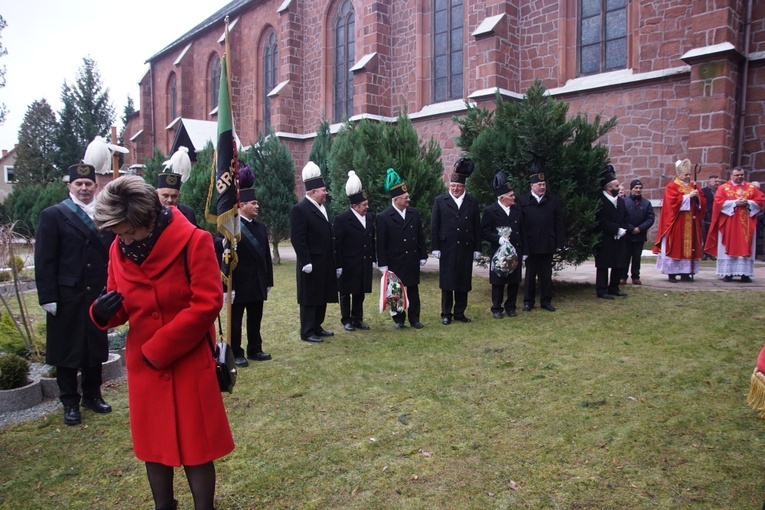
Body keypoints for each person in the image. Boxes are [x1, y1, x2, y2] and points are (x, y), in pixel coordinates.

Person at [90, 176, 233, 510]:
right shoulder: (118, 248)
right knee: (154, 445)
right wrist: (101, 312)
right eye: (117, 232)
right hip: (145, 368)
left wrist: (158, 349)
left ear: (149, 218)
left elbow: (207, 303)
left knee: (197, 445)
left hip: (187, 357)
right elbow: (120, 303)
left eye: (128, 231)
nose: (122, 238)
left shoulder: (194, 241)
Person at [34, 163, 114, 426]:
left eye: (88, 184)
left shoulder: (104, 216)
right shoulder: (53, 215)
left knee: (94, 349)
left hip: (97, 294)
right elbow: (45, 259)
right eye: (78, 184)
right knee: (67, 352)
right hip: (66, 295)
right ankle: (70, 403)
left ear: (96, 186)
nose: (83, 188)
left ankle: (93, 396)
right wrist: (48, 297)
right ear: (69, 186)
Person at [290, 161, 338, 343]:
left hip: (324, 260)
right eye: (323, 190)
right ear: (313, 192)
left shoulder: (322, 208)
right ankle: (307, 330)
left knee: (322, 294)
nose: (326, 193)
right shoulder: (300, 209)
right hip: (310, 262)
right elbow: (298, 238)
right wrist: (305, 261)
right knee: (310, 296)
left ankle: (317, 326)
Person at [430, 158, 481, 325]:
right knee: (447, 281)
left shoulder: (472, 202)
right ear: (449, 186)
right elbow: (434, 225)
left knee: (463, 280)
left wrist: (477, 248)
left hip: (466, 246)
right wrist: (435, 247)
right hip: (447, 247)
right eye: (452, 186)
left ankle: (460, 312)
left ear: (464, 187)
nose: (455, 189)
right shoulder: (440, 201)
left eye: (458, 186)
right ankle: (446, 313)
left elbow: (476, 226)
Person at [376, 168, 427, 329]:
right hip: (394, 260)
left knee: (413, 289)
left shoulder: (413, 213)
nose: (408, 199)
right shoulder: (384, 217)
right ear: (396, 199)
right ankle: (399, 319)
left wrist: (423, 254)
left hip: (411, 258)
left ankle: (415, 318)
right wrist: (383, 264)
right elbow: (381, 243)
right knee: (395, 291)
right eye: (405, 197)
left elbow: (420, 235)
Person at [228, 187, 274, 366]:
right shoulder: (230, 228)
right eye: (253, 203)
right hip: (239, 284)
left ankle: (255, 349)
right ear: (242, 205)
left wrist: (268, 280)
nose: (257, 206)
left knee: (255, 319)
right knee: (236, 322)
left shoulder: (260, 227)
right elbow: (224, 258)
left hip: (257, 282)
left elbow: (265, 257)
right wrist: (227, 287)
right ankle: (236, 352)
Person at [704, 167, 765, 283]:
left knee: (746, 246)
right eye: (737, 175)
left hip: (747, 223)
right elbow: (718, 202)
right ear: (731, 176)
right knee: (728, 245)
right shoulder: (723, 188)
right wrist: (734, 203)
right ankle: (728, 273)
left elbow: (761, 200)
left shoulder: (751, 188)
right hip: (729, 223)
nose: (739, 177)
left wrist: (749, 202)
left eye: (741, 174)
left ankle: (745, 274)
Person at [518, 161, 564, 312]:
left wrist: (559, 242)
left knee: (546, 275)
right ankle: (528, 301)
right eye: (539, 184)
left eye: (543, 184)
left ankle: (546, 300)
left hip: (546, 243)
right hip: (530, 244)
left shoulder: (553, 200)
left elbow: (558, 223)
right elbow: (520, 225)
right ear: (531, 186)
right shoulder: (523, 201)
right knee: (530, 275)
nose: (542, 187)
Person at [333, 171, 376, 332]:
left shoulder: (370, 218)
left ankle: (358, 318)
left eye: (367, 204)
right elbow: (337, 244)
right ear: (354, 206)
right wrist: (338, 265)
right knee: (346, 293)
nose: (367, 207)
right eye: (364, 205)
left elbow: (372, 239)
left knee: (360, 291)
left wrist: (373, 258)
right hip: (348, 263)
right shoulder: (342, 219)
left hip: (363, 261)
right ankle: (346, 319)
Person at [652, 158, 706, 282]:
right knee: (676, 246)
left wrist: (698, 198)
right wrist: (688, 197)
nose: (688, 177)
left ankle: (686, 273)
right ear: (678, 174)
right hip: (677, 222)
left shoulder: (694, 186)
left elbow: (702, 202)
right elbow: (672, 203)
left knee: (689, 247)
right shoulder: (671, 186)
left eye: (689, 174)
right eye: (685, 174)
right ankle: (672, 273)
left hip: (691, 223)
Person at [481, 170, 523, 318]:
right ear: (502, 197)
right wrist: (498, 239)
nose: (514, 197)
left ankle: (511, 307)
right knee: (498, 281)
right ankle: (497, 308)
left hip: (515, 250)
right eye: (511, 196)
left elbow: (523, 230)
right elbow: (484, 232)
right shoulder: (490, 211)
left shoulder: (517, 210)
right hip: (498, 252)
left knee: (514, 280)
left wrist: (524, 252)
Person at [594, 166, 629, 299]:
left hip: (619, 237)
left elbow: (626, 216)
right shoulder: (600, 201)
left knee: (618, 263)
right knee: (603, 265)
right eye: (616, 185)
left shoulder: (620, 201)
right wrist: (615, 229)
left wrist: (623, 229)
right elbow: (599, 220)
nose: (619, 188)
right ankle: (601, 290)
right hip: (605, 238)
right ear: (608, 188)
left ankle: (614, 287)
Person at [620, 179, 655, 285]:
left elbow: (650, 218)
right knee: (625, 257)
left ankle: (635, 276)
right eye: (636, 188)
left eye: (640, 188)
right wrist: (631, 228)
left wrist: (640, 228)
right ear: (631, 189)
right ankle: (622, 277)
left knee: (636, 258)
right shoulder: (624, 202)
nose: (638, 190)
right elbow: (621, 217)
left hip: (640, 235)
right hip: (627, 235)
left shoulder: (646, 203)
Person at [701, 175, 721, 259]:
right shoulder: (703, 191)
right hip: (707, 216)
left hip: (717, 216)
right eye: (715, 181)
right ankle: (705, 252)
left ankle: (712, 253)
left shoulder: (720, 191)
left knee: (715, 235)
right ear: (709, 182)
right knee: (705, 235)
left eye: (717, 182)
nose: (716, 183)